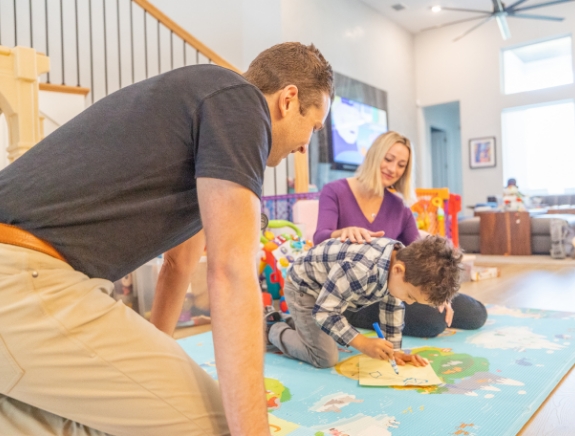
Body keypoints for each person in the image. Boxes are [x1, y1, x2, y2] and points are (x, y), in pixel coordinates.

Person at [0, 42, 333, 435]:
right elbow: (230, 273)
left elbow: (178, 266)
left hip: (22, 285)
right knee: (218, 427)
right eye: (312, 127)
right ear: (288, 99)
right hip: (23, 277)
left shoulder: (203, 127)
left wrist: (153, 369)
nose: (305, 144)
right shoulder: (240, 102)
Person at [314, 131, 487, 338]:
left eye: (401, 165)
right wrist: (342, 232)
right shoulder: (335, 191)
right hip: (352, 294)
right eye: (388, 159)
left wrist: (439, 289)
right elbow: (319, 239)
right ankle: (350, 317)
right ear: (374, 156)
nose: (392, 169)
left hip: (395, 288)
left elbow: (420, 253)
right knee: (432, 321)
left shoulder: (399, 206)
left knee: (475, 313)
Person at [267, 235, 462, 368]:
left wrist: (394, 351)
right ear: (398, 270)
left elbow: (392, 310)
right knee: (325, 357)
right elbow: (324, 312)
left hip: (333, 295)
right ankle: (271, 328)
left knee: (332, 332)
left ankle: (300, 325)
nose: (408, 303)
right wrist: (363, 343)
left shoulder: (400, 266)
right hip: (304, 289)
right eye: (410, 297)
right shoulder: (361, 269)